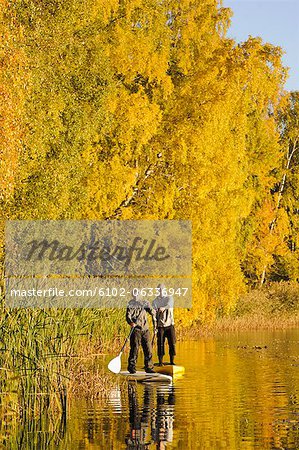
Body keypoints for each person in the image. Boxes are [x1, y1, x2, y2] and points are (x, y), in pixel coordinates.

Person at [126, 292, 157, 374]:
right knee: (134, 348)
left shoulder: (145, 302)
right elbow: (128, 316)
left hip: (145, 329)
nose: (136, 296)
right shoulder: (130, 304)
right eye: (134, 295)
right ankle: (131, 367)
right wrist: (131, 322)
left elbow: (153, 312)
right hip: (136, 330)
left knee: (148, 349)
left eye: (137, 294)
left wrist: (151, 309)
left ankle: (149, 367)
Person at [153, 284, 176, 366]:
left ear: (165, 290)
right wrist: (154, 327)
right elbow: (154, 316)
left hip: (170, 324)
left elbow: (169, 305)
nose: (161, 291)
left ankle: (172, 362)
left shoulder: (169, 298)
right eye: (159, 290)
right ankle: (160, 362)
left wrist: (163, 308)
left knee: (172, 343)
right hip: (160, 326)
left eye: (162, 289)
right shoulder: (155, 301)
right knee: (160, 344)